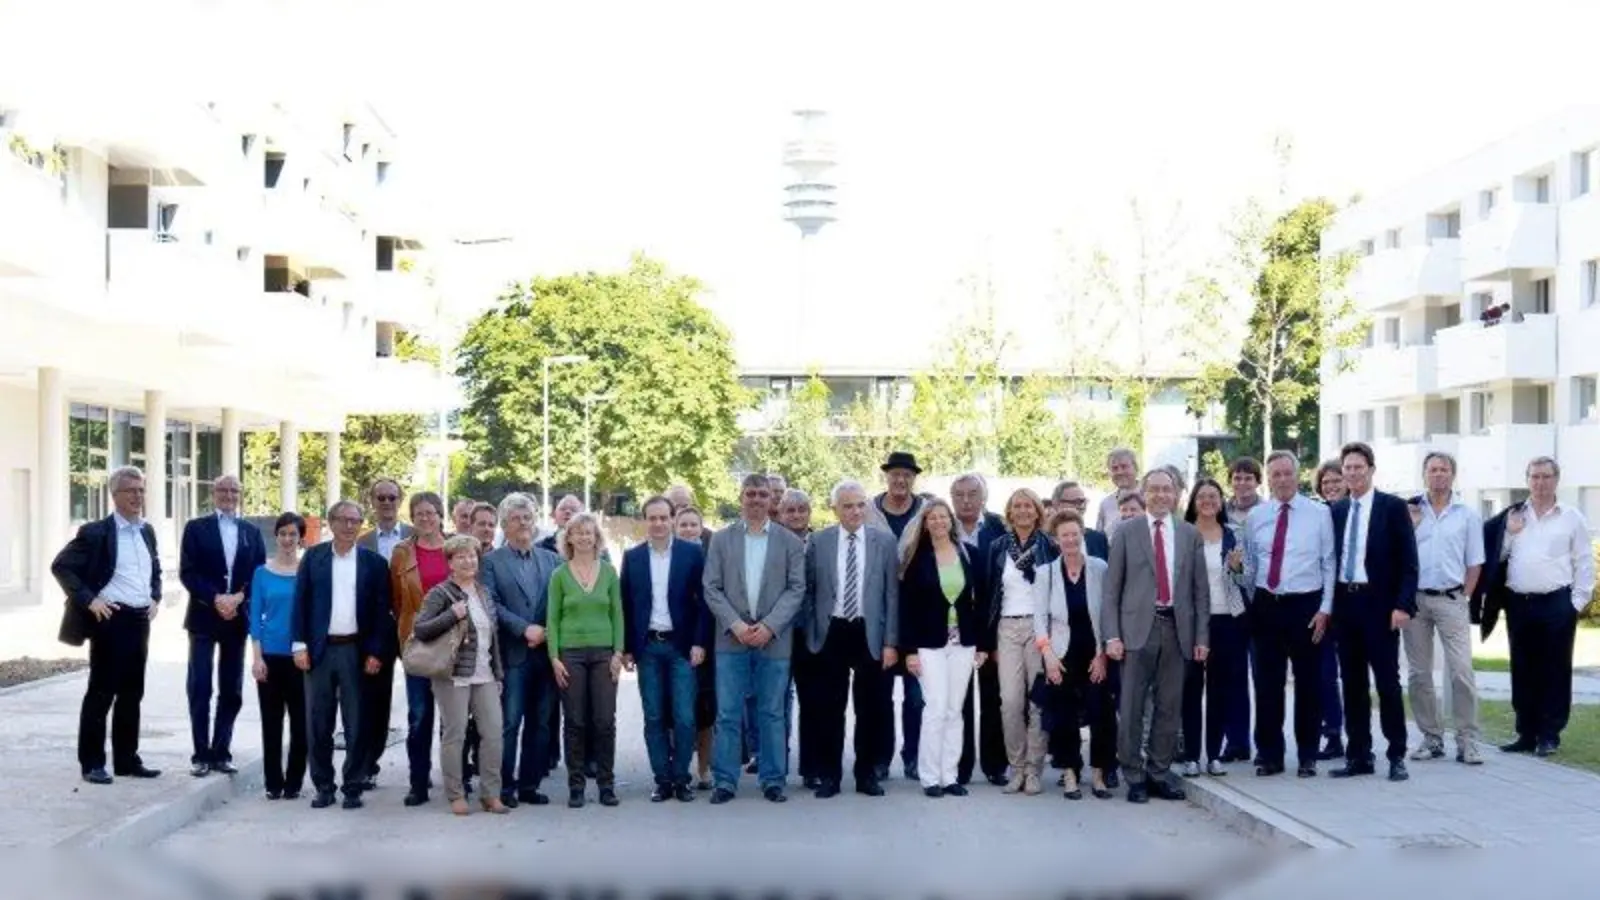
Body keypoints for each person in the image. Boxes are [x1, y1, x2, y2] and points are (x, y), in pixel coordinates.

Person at [1474, 457, 1593, 758]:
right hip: (1519, 603)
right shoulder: (1513, 516)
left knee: (1555, 669)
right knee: (1523, 668)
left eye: (1546, 476)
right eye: (1534, 477)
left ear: (1557, 479)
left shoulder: (1571, 517)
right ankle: (1526, 733)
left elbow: (1583, 563)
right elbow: (1496, 558)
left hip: (1557, 602)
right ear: (1527, 479)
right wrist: (1510, 534)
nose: (1540, 483)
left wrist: (1575, 603)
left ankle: (1550, 734)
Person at [1103, 468, 1209, 804]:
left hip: (1177, 630)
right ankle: (1133, 775)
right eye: (1154, 490)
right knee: (1132, 706)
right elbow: (1111, 591)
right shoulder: (1126, 531)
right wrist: (1112, 636)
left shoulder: (1189, 534)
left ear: (1177, 493)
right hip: (1136, 632)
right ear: (1144, 492)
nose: (1161, 495)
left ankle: (1158, 774)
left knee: (1169, 708)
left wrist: (1201, 638)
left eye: (1167, 489)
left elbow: (1200, 592)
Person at [52, 465, 163, 785]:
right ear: (115, 495)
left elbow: (153, 568)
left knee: (132, 693)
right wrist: (90, 600)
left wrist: (155, 596)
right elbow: (62, 566)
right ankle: (92, 763)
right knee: (102, 693)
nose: (138, 496)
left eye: (141, 490)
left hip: (140, 620)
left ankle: (127, 760)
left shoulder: (147, 531)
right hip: (110, 620)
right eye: (131, 491)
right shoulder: (96, 532)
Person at [703, 473, 806, 804]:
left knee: (772, 712)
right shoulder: (721, 540)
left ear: (771, 500)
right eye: (751, 494)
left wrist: (770, 625)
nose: (757, 499)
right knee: (728, 713)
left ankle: (773, 779)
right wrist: (734, 624)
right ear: (741, 498)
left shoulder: (790, 541)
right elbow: (711, 587)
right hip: (731, 640)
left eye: (763, 494)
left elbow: (796, 588)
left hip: (774, 641)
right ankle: (725, 780)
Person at [1233, 451, 1335, 778]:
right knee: (1267, 684)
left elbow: (1329, 563)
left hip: (1306, 605)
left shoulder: (1318, 514)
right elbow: (1249, 566)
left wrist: (1325, 609)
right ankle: (1269, 754)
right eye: (1274, 474)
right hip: (1267, 605)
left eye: (1286, 473)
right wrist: (1240, 578)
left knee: (1308, 683)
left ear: (1297, 475)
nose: (1281, 480)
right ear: (1269, 478)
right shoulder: (1257, 517)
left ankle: (1307, 754)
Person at [801, 480, 901, 799]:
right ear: (835, 509)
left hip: (869, 632)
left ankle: (866, 774)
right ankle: (829, 775)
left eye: (860, 505)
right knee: (829, 708)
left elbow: (891, 596)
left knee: (870, 707)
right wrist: (812, 632)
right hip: (831, 631)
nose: (856, 511)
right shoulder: (819, 541)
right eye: (848, 505)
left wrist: (890, 642)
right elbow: (808, 590)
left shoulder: (884, 542)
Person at [293, 499, 394, 809]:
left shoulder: (374, 563)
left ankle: (353, 785)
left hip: (356, 650)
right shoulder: (313, 558)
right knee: (318, 721)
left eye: (356, 520)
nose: (350, 526)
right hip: (320, 651)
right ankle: (323, 785)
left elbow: (381, 612)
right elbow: (301, 603)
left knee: (357, 722)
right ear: (331, 523)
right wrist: (299, 645)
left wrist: (376, 651)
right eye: (344, 520)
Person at [1328, 442, 1419, 783]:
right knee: (1351, 684)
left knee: (1387, 683)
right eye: (1347, 468)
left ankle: (1397, 754)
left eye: (1358, 467)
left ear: (1371, 469)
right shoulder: (1336, 511)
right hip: (1346, 606)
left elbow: (1409, 562)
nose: (1353, 473)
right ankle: (1359, 755)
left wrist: (1402, 605)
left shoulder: (1392, 507)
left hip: (1380, 606)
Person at [410, 534, 509, 815]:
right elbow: (420, 629)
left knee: (493, 733)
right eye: (461, 556)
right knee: (455, 734)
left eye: (472, 555)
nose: (469, 561)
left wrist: (498, 674)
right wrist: (451, 615)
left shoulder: (484, 592)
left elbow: (494, 638)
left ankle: (491, 794)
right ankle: (455, 794)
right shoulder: (440, 594)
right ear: (450, 562)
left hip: (485, 673)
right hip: (453, 675)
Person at [620, 495, 708, 803]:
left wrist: (699, 642)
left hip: (681, 647)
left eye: (663, 517)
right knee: (654, 717)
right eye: (651, 518)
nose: (657, 523)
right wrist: (629, 648)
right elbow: (627, 605)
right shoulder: (632, 558)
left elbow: (703, 603)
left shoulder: (692, 555)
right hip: (648, 649)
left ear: (672, 519)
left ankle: (682, 778)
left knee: (684, 717)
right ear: (644, 521)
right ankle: (663, 780)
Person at [179, 473, 267, 777]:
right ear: (213, 493)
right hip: (204, 616)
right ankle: (200, 754)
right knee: (200, 685)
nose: (229, 495)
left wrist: (239, 598)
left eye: (234, 490)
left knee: (231, 689)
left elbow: (259, 572)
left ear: (240, 495)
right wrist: (216, 598)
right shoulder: (195, 528)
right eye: (223, 490)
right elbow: (188, 573)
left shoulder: (251, 532)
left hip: (236, 620)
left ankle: (221, 751)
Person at [480, 492, 563, 808]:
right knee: (509, 723)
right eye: (516, 518)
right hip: (513, 655)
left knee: (541, 723)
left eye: (527, 517)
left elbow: (561, 605)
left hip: (545, 654)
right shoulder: (490, 563)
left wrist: (545, 632)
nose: (523, 523)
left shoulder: (553, 560)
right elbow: (492, 604)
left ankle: (529, 784)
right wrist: (523, 628)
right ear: (504, 524)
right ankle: (504, 786)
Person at [900, 498, 984, 798]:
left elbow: (980, 604)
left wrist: (982, 645)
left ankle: (950, 775)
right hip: (928, 643)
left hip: (962, 642)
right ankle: (930, 777)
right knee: (935, 708)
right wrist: (908, 650)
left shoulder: (969, 554)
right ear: (925, 523)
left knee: (954, 710)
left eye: (942, 516)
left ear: (951, 521)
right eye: (931, 518)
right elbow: (906, 608)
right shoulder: (917, 558)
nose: (938, 522)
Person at [1406, 451, 1486, 765]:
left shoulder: (1466, 514)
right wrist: (1410, 526)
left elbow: (1475, 561)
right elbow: (1399, 554)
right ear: (1424, 474)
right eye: (1432, 470)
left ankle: (1467, 741)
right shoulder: (1410, 511)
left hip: (1452, 599)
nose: (1438, 475)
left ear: (1452, 475)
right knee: (1419, 674)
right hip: (1415, 601)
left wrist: (1463, 595)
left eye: (1443, 469)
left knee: (1462, 671)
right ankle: (1431, 738)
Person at [547, 511, 625, 808]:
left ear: (597, 538)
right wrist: (554, 657)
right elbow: (552, 619)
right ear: (568, 538)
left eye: (588, 532)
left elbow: (617, 613)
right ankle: (576, 786)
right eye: (577, 532)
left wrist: (618, 651)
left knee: (605, 721)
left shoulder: (608, 572)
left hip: (604, 652)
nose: (583, 537)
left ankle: (607, 785)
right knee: (575, 721)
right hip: (571, 654)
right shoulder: (559, 575)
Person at [1035, 509, 1114, 800]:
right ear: (1056, 540)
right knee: (1063, 715)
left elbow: (1108, 615)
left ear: (1083, 536)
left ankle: (1098, 773)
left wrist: (1103, 654)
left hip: (1094, 652)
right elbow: (1039, 618)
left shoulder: (1099, 568)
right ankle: (1069, 773)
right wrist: (1048, 655)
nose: (1070, 539)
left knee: (1101, 713)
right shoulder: (1046, 573)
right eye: (1064, 535)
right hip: (1061, 654)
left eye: (1075, 534)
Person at [1176, 478, 1250, 777]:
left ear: (1221, 501)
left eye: (1214, 496)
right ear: (1194, 502)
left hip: (1228, 619)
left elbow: (1247, 579)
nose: (1208, 501)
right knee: (1191, 690)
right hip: (1193, 622)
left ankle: (1214, 755)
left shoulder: (1233, 535)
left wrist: (1237, 569)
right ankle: (1192, 755)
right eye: (1202, 496)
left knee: (1220, 690)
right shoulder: (1183, 535)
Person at [985, 487, 1054, 795]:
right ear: (1009, 513)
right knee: (1010, 702)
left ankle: (1034, 769)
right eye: (1017, 506)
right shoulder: (997, 547)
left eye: (1029, 506)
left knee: (1038, 701)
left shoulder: (1049, 546)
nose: (1023, 511)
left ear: (1038, 511)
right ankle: (1016, 766)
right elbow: (988, 595)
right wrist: (990, 643)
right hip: (1007, 628)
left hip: (1039, 629)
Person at [863, 451, 926, 782]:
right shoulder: (870, 511)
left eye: (907, 475)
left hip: (917, 614)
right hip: (881, 614)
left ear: (914, 478)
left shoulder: (926, 510)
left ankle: (914, 756)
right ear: (886, 477)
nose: (900, 480)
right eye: (895, 474)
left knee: (917, 697)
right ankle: (880, 759)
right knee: (880, 695)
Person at [388, 492, 450, 806]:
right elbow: (398, 603)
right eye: (419, 513)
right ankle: (418, 782)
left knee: (453, 717)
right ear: (412, 518)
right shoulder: (402, 553)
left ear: (441, 515)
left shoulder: (458, 547)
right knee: (419, 714)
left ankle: (456, 779)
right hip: (418, 643)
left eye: (431, 512)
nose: (425, 518)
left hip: (453, 642)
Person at [949, 472, 1007, 787]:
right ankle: (960, 765)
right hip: (955, 629)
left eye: (972, 494)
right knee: (958, 699)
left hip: (992, 625)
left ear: (983, 497)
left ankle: (995, 764)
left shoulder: (999, 527)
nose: (966, 500)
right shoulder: (942, 528)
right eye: (959, 495)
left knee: (992, 697)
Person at [249, 512, 309, 800]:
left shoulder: (307, 572)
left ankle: (294, 783)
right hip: (270, 657)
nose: (287, 539)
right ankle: (273, 782)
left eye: (293, 535)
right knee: (271, 723)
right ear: (276, 537)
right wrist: (257, 658)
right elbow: (255, 619)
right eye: (283, 534)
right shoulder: (262, 573)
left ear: (301, 539)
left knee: (301, 725)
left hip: (300, 658)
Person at [674, 505, 717, 787]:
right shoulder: (669, 558)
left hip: (707, 642)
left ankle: (705, 769)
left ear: (701, 528)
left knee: (705, 711)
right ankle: (679, 768)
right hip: (676, 642)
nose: (689, 529)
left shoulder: (711, 558)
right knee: (678, 709)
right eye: (684, 524)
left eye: (693, 524)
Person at [776, 488, 815, 787]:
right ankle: (774, 765)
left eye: (802, 509)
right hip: (776, 632)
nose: (797, 515)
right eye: (790, 510)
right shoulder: (770, 542)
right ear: (780, 513)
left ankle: (812, 768)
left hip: (811, 634)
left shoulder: (821, 543)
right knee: (774, 702)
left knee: (813, 702)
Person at [357, 478, 413, 561]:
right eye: (381, 498)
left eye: (392, 498)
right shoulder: (362, 542)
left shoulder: (416, 536)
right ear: (372, 501)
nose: (386, 502)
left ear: (400, 501)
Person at [1096, 448, 1140, 535]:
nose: (1120, 472)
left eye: (1124, 466)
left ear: (1135, 468)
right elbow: (1100, 539)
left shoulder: (1150, 498)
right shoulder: (1106, 504)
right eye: (1114, 468)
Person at [1226, 458, 1264, 530]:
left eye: (1248, 479)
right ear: (1230, 482)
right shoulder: (1221, 512)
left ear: (1257, 482)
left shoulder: (1268, 513)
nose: (1242, 483)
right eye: (1237, 478)